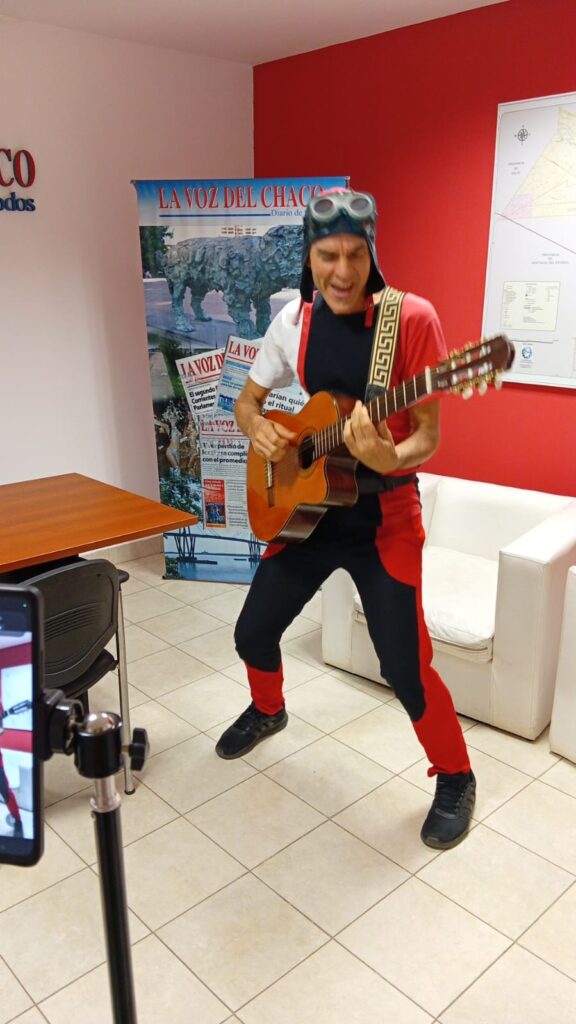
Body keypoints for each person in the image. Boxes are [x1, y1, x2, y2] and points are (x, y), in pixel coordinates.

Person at [215, 188, 475, 850]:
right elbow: (247, 402)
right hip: (309, 512)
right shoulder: (292, 320)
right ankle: (268, 709)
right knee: (252, 633)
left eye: (355, 254)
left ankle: (455, 774)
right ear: (309, 256)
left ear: (372, 253)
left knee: (405, 667)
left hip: (384, 516)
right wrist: (259, 430)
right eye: (327, 255)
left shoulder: (410, 320)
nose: (342, 271)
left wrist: (387, 455)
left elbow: (427, 437)